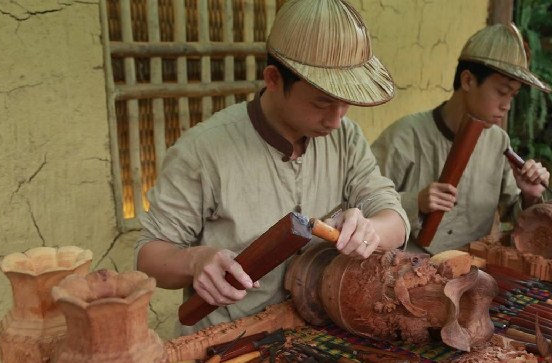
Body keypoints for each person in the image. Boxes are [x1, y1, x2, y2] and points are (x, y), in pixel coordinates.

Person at [135, 0, 409, 334]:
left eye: (345, 105)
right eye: (322, 103)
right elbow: (149, 257)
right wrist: (196, 260)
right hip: (227, 342)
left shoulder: (347, 138)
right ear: (274, 78)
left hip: (315, 334)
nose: (336, 121)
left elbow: (392, 215)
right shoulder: (203, 151)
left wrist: (370, 230)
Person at [371, 23, 552, 254]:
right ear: (467, 81)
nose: (507, 105)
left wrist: (529, 195)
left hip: (474, 266)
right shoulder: (405, 136)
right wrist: (415, 202)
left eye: (513, 95)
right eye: (501, 92)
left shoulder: (498, 142)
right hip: (409, 266)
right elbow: (363, 203)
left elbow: (516, 221)